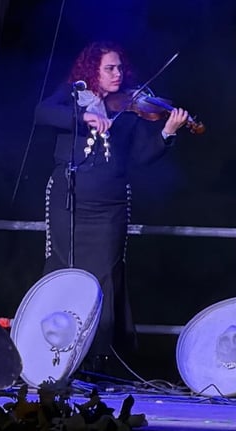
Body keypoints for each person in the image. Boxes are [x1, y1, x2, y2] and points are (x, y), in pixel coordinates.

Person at [34, 41, 188, 373]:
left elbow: (140, 159)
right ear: (93, 70)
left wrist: (167, 131)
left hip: (110, 205)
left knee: (105, 275)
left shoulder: (128, 109)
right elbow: (42, 113)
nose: (118, 74)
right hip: (69, 198)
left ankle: (99, 357)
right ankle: (50, 352)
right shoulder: (72, 95)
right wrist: (84, 115)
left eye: (120, 68)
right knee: (62, 267)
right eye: (109, 68)